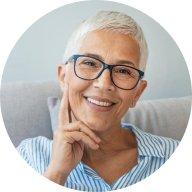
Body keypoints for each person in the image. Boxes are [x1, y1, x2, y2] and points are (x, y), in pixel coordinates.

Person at [17, 11, 179, 191]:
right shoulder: (28, 155)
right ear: (63, 77)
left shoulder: (172, 156)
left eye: (123, 71)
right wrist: (57, 174)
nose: (104, 84)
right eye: (90, 63)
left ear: (137, 93)